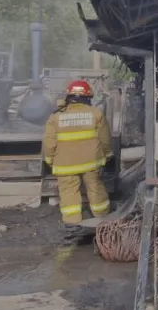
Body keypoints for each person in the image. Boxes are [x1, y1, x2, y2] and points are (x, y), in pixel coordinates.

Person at [43, 79, 112, 229]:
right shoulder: (96, 113)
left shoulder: (55, 117)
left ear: (68, 96)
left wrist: (49, 160)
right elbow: (105, 138)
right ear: (88, 97)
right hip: (91, 162)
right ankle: (103, 218)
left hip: (65, 164)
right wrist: (108, 154)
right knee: (95, 187)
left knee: (68, 192)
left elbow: (49, 143)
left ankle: (72, 223)